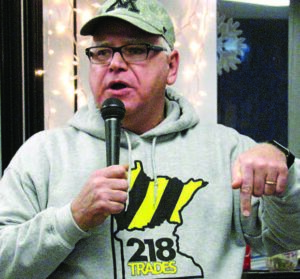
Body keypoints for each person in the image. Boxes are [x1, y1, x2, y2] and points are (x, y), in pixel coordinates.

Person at [0, 0, 299, 278]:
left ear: (171, 67)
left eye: (135, 49)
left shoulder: (228, 150)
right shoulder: (44, 154)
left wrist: (285, 170)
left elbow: (287, 238)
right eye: (102, 52)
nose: (114, 63)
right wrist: (71, 220)